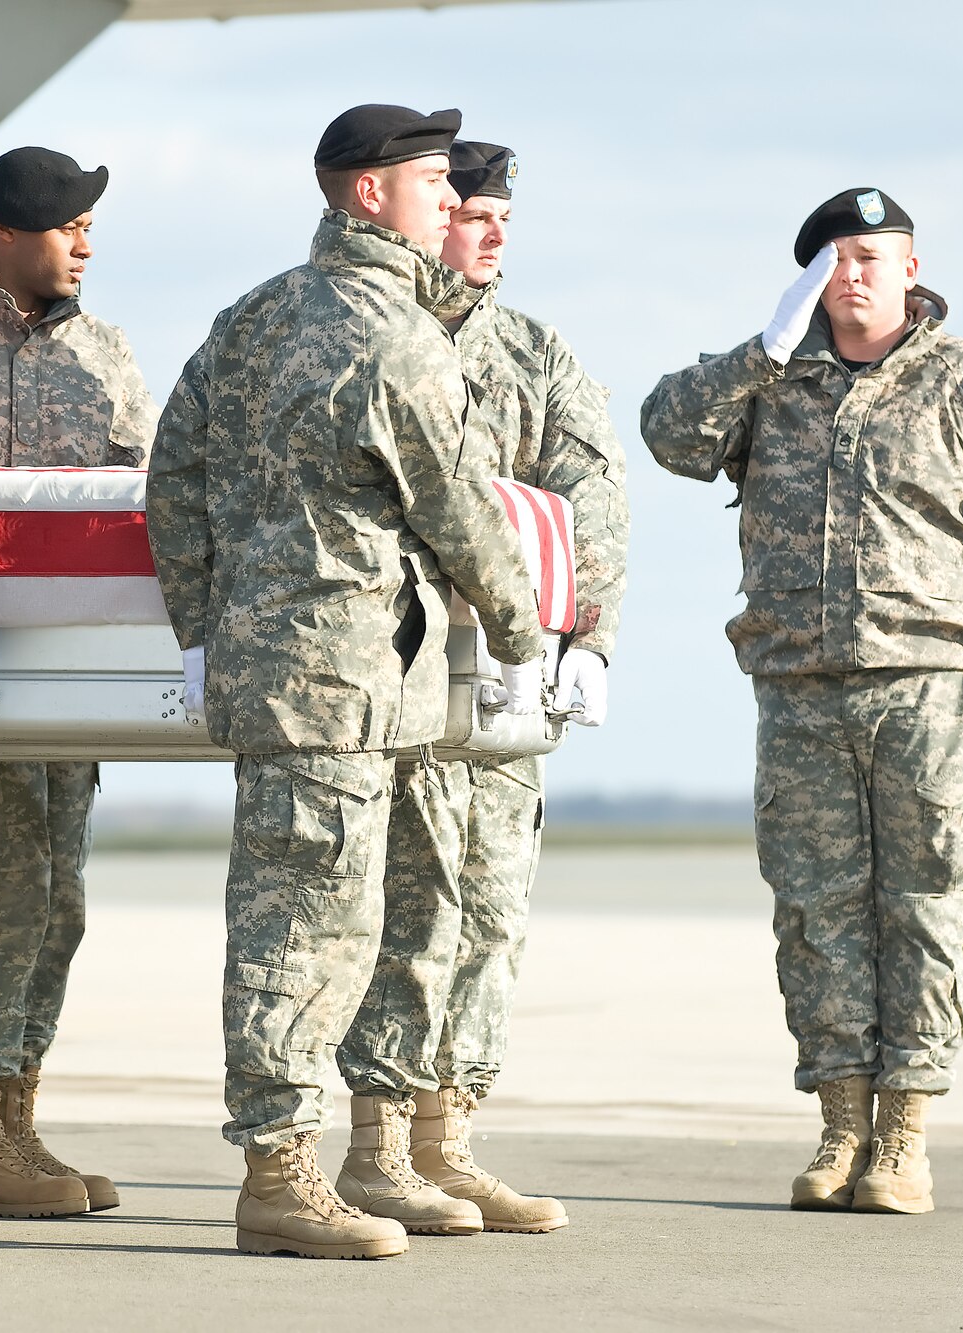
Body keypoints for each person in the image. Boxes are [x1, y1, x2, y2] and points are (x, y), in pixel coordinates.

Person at [146, 103, 544, 1260]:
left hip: (280, 667)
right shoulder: (395, 332)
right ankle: (279, 1176)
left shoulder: (253, 316)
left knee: (306, 911)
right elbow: (458, 504)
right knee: (308, 922)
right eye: (430, 183)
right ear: (366, 193)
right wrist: (525, 630)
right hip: (342, 675)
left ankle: (303, 1164)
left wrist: (201, 624)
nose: (444, 201)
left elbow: (173, 473)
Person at [641, 188, 963, 1215]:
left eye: (873, 255)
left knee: (921, 906)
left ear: (911, 263)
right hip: (796, 686)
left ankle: (904, 1138)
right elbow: (666, 433)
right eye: (835, 258)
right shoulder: (768, 378)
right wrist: (759, 349)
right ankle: (839, 1127)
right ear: (808, 277)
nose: (855, 274)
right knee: (813, 909)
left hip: (927, 683)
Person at [341, 141, 628, 1235]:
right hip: (399, 668)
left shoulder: (536, 354)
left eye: (501, 214)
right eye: (469, 210)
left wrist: (586, 641)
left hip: (507, 682)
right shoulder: (377, 331)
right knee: (399, 915)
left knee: (490, 914)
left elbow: (590, 496)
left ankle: (445, 1142)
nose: (492, 231)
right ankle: (375, 1145)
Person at [0, 146, 157, 1219]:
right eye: (69, 228)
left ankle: (11, 1120)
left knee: (54, 906)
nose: (85, 245)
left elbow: (145, 505)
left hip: (72, 696)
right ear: (5, 232)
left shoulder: (105, 353)